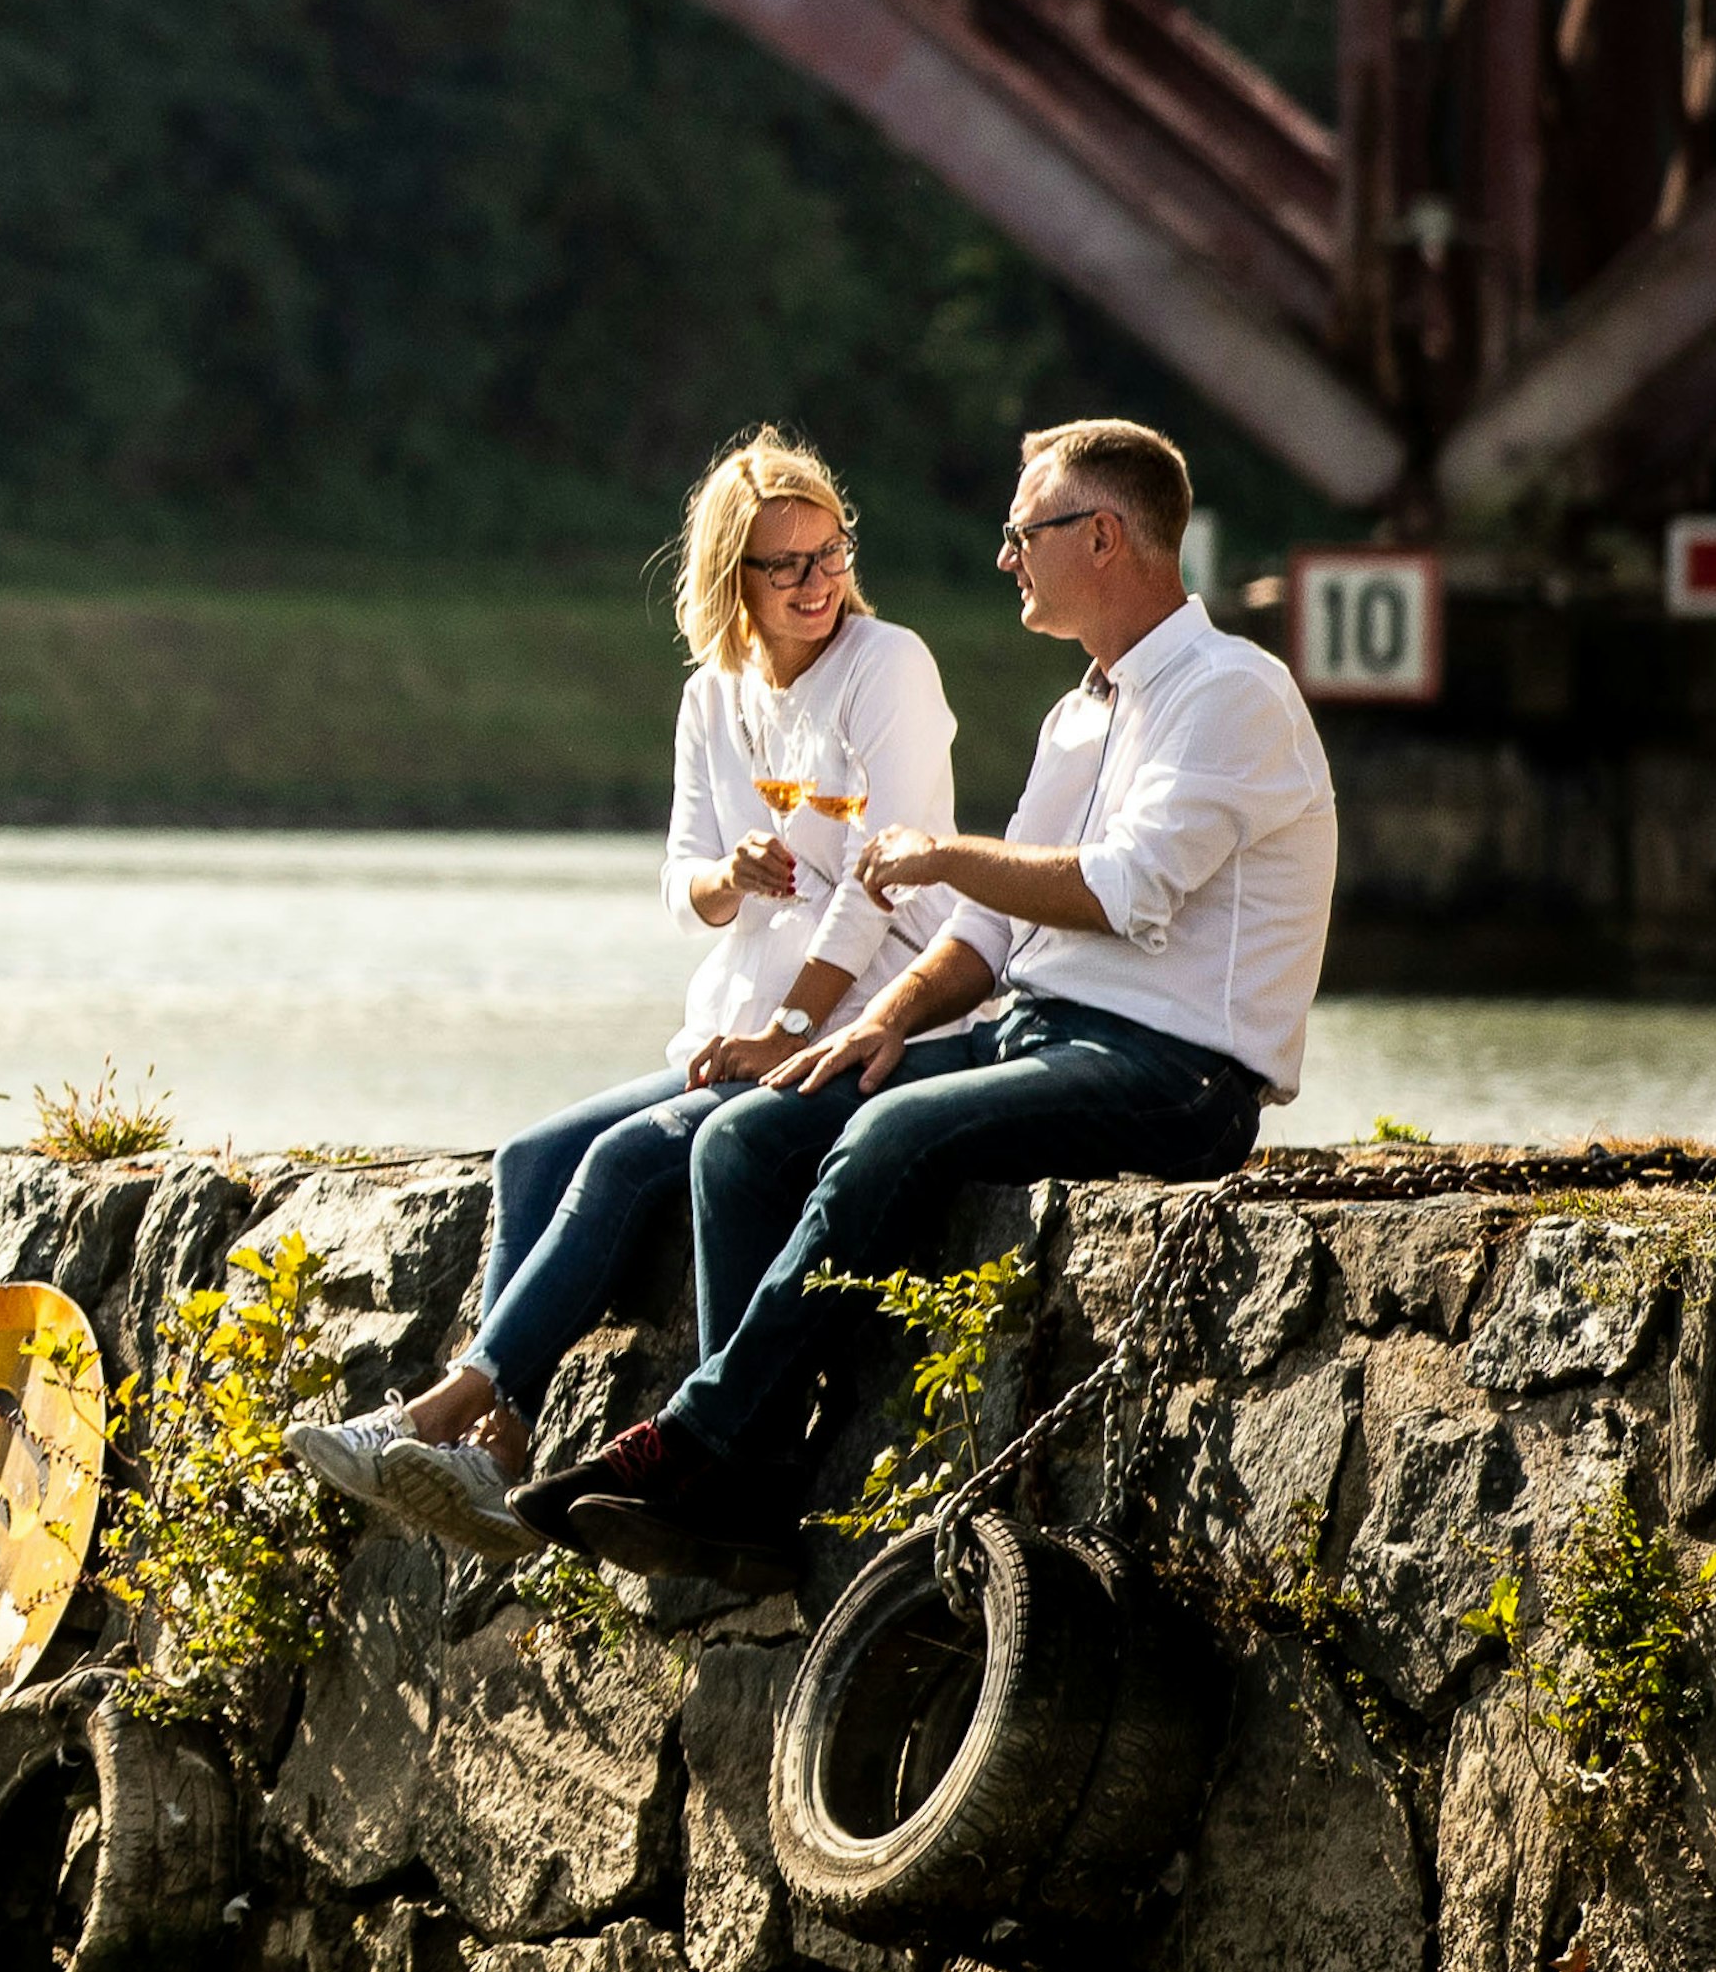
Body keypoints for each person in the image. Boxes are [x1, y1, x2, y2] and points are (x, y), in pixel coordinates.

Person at [522, 417, 1337, 1575]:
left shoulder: (1230, 693)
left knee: (889, 1126)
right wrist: (879, 1017)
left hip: (1174, 1072)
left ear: (1098, 535)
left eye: (1022, 532)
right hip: (1038, 1034)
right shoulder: (1080, 713)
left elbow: (1122, 888)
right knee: (745, 1139)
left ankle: (696, 1434)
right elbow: (995, 925)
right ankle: (746, 1496)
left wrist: (943, 852)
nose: (1004, 556)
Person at [301, 432, 948, 1560]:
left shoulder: (886, 666)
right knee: (528, 1156)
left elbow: (877, 879)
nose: (813, 582)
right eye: (780, 564)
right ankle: (499, 1457)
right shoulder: (715, 694)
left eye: (827, 551)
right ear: (728, 581)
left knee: (625, 1157)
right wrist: (726, 878)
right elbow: (679, 874)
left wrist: (788, 1026)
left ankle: (442, 1414)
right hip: (738, 1024)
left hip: (858, 1020)